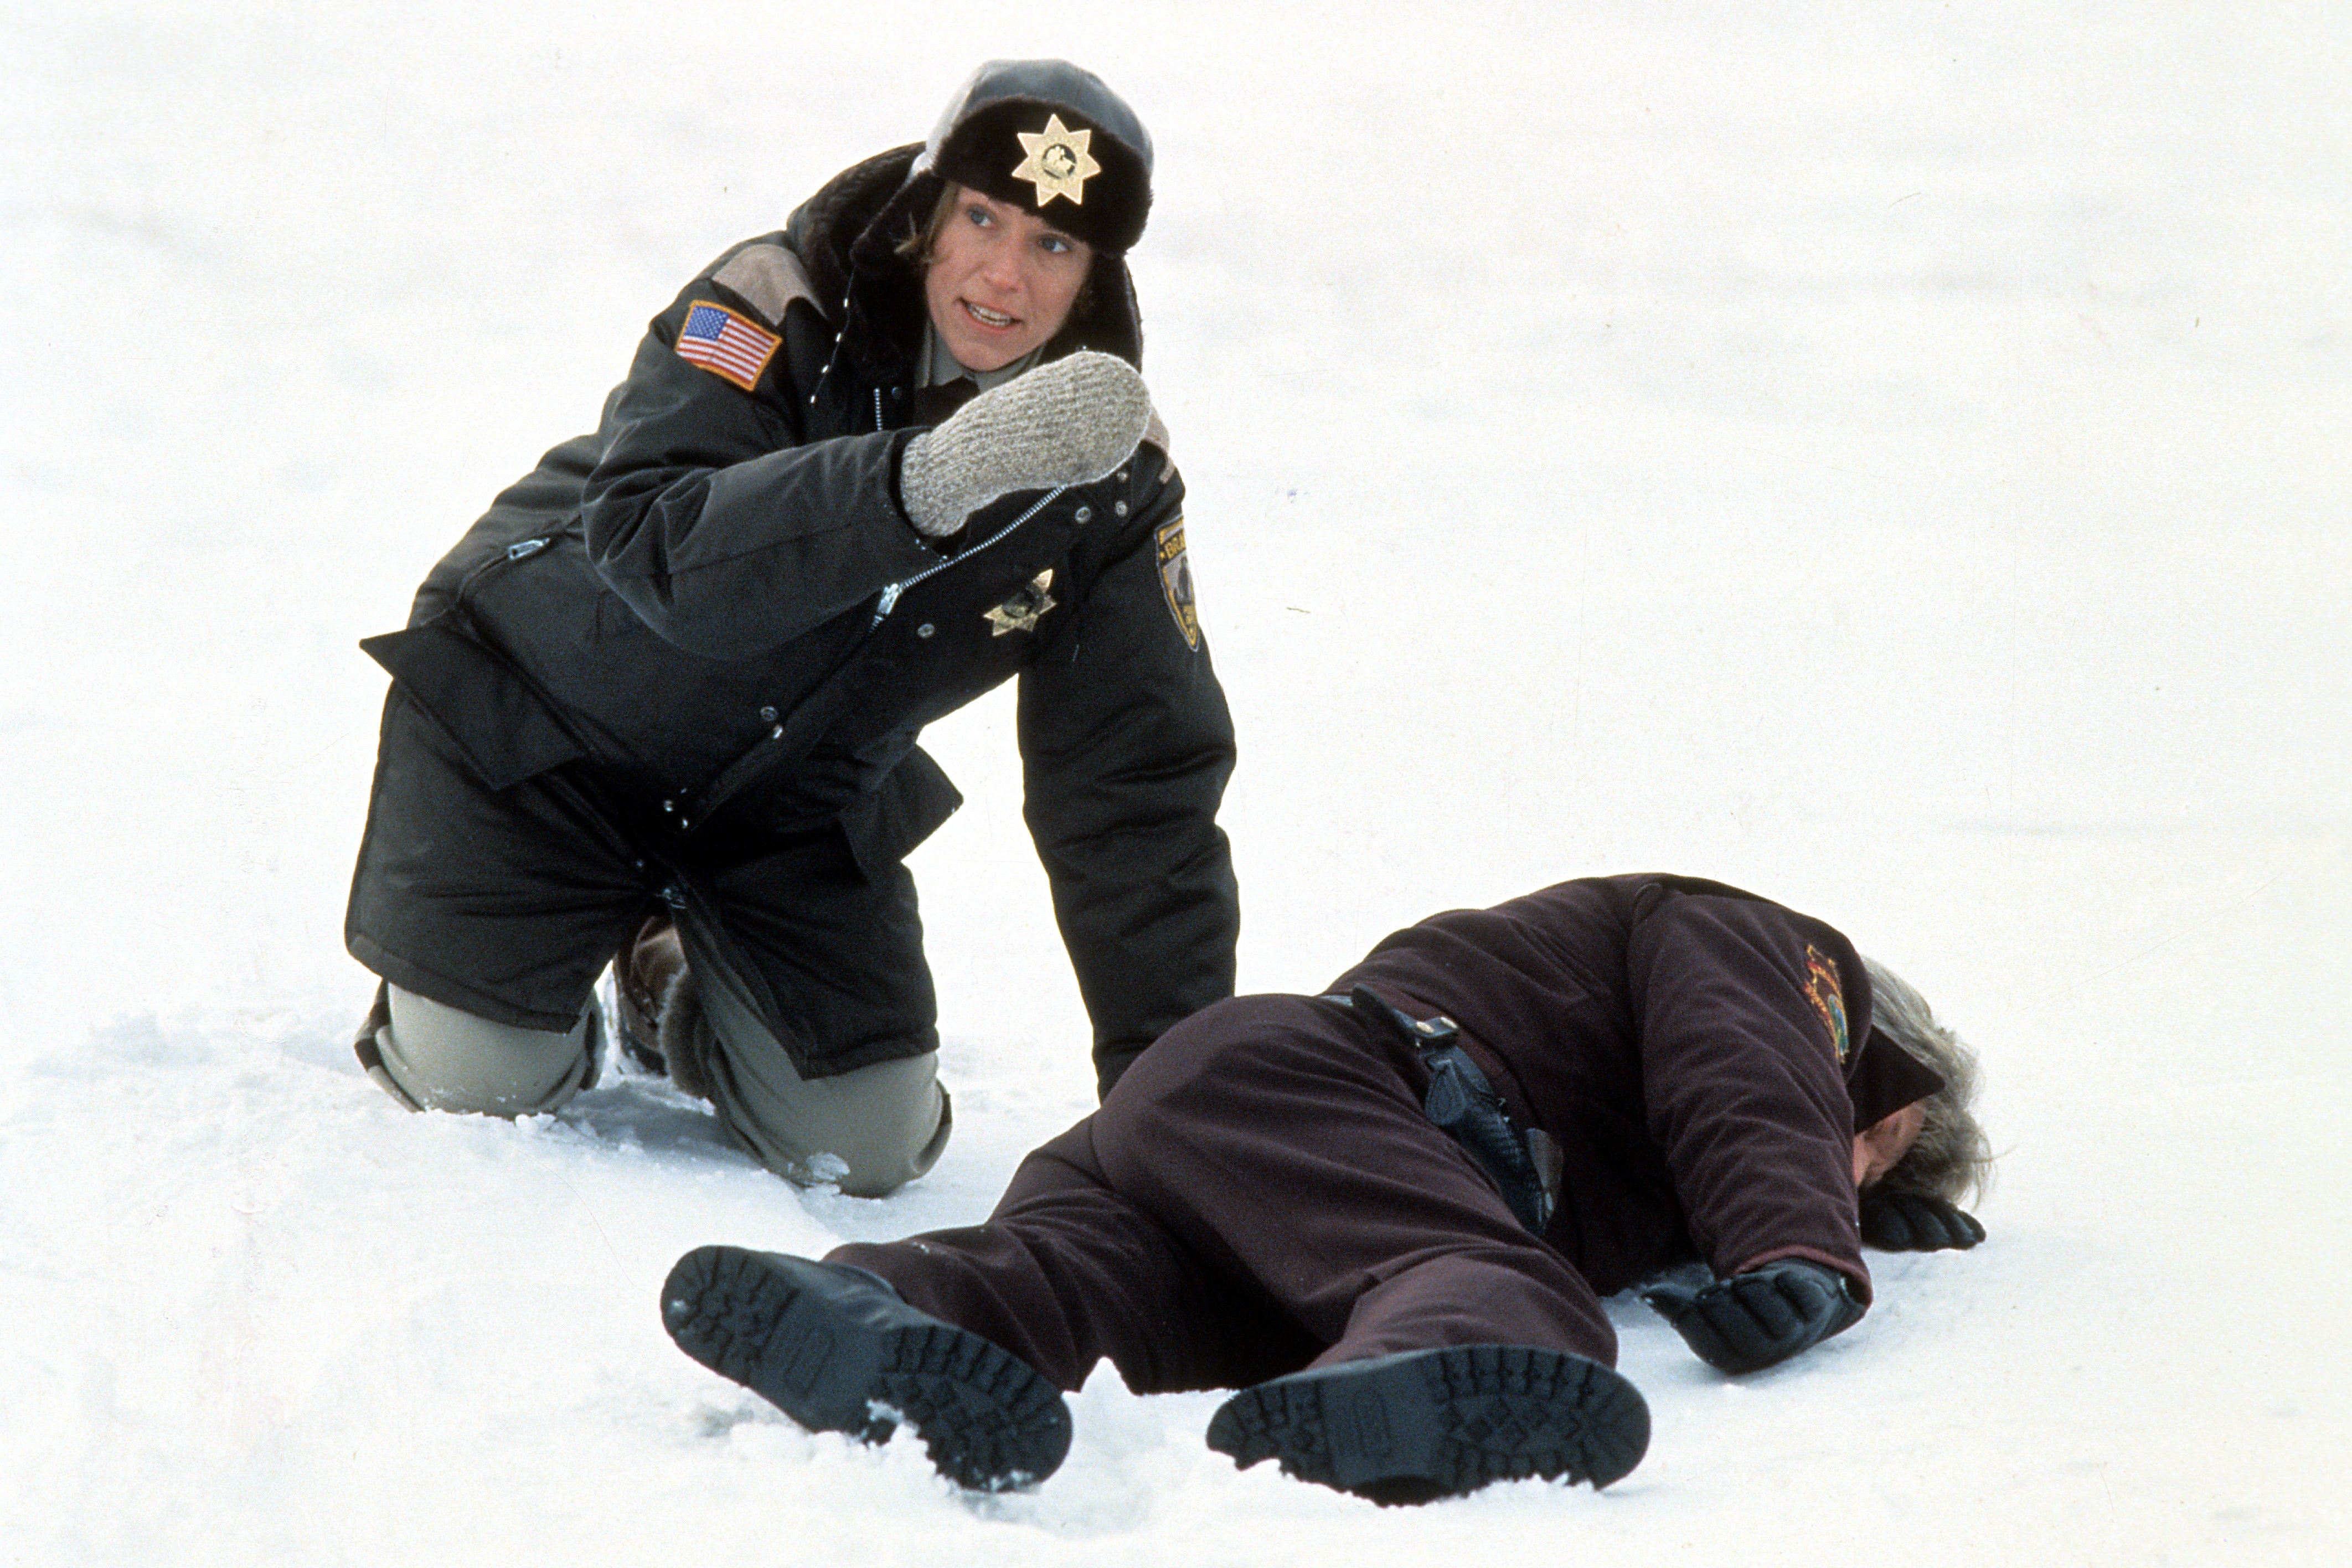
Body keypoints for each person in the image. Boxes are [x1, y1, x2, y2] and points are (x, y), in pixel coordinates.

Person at [343, 61, 1238, 1196]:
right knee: (484, 1083)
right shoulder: (773, 298)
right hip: (541, 732)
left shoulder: (1112, 474)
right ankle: (516, 978)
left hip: (785, 807)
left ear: (1097, 275)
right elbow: (658, 551)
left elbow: (1133, 790)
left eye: (1056, 247)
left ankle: (666, 974)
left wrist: (1183, 1111)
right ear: (925, 210)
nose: (1004, 274)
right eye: (981, 217)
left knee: (866, 1148)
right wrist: (928, 480)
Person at [659, 874, 1993, 1502]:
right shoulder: (1780, 961)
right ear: (1881, 1083)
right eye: (1879, 1146)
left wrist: (1831, 1215)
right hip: (1337, 1091)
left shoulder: (1672, 1132)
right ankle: (1431, 1369)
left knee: (1068, 1285)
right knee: (1489, 1283)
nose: (1858, 1166)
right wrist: (1802, 1246)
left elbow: (1730, 1125)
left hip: (1228, 1153)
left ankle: (877, 1312)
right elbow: (1746, 1075)